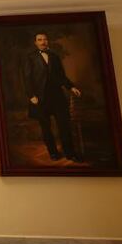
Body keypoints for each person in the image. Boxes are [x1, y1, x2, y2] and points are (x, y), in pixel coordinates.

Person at [21, 33, 82, 161]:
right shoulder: (30, 58)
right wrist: (31, 95)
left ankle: (70, 153)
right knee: (46, 127)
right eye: (40, 40)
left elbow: (61, 76)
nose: (43, 42)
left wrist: (71, 87)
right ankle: (53, 153)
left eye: (45, 39)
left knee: (64, 125)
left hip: (57, 96)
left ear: (48, 41)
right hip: (40, 97)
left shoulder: (54, 56)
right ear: (35, 43)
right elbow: (27, 78)